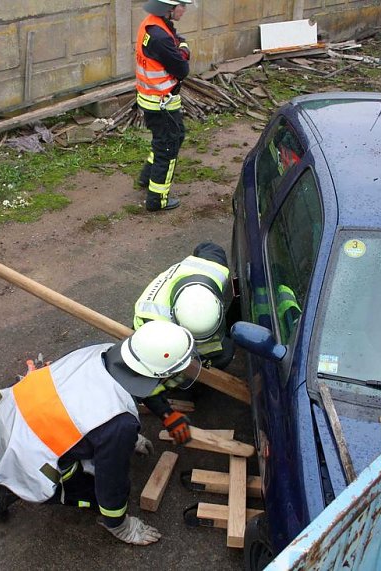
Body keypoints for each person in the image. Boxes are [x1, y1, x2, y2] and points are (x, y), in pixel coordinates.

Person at [0, 320, 198, 546]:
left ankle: (15, 476)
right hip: (30, 456)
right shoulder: (119, 425)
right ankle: (11, 488)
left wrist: (160, 415)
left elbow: (131, 381)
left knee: (109, 444)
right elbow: (111, 480)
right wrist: (119, 524)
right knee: (99, 496)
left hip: (10, 415)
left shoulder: (99, 350)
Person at [133, 242, 233, 369]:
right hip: (153, 334)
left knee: (224, 350)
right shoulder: (151, 322)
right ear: (174, 317)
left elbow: (209, 247)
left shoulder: (213, 268)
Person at [135, 0, 193, 212]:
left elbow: (176, 40)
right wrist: (184, 48)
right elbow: (182, 68)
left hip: (152, 98)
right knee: (168, 147)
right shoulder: (159, 36)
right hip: (161, 102)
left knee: (168, 140)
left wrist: (180, 45)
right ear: (169, 8)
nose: (184, 10)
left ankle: (146, 177)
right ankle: (157, 200)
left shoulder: (153, 24)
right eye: (182, 6)